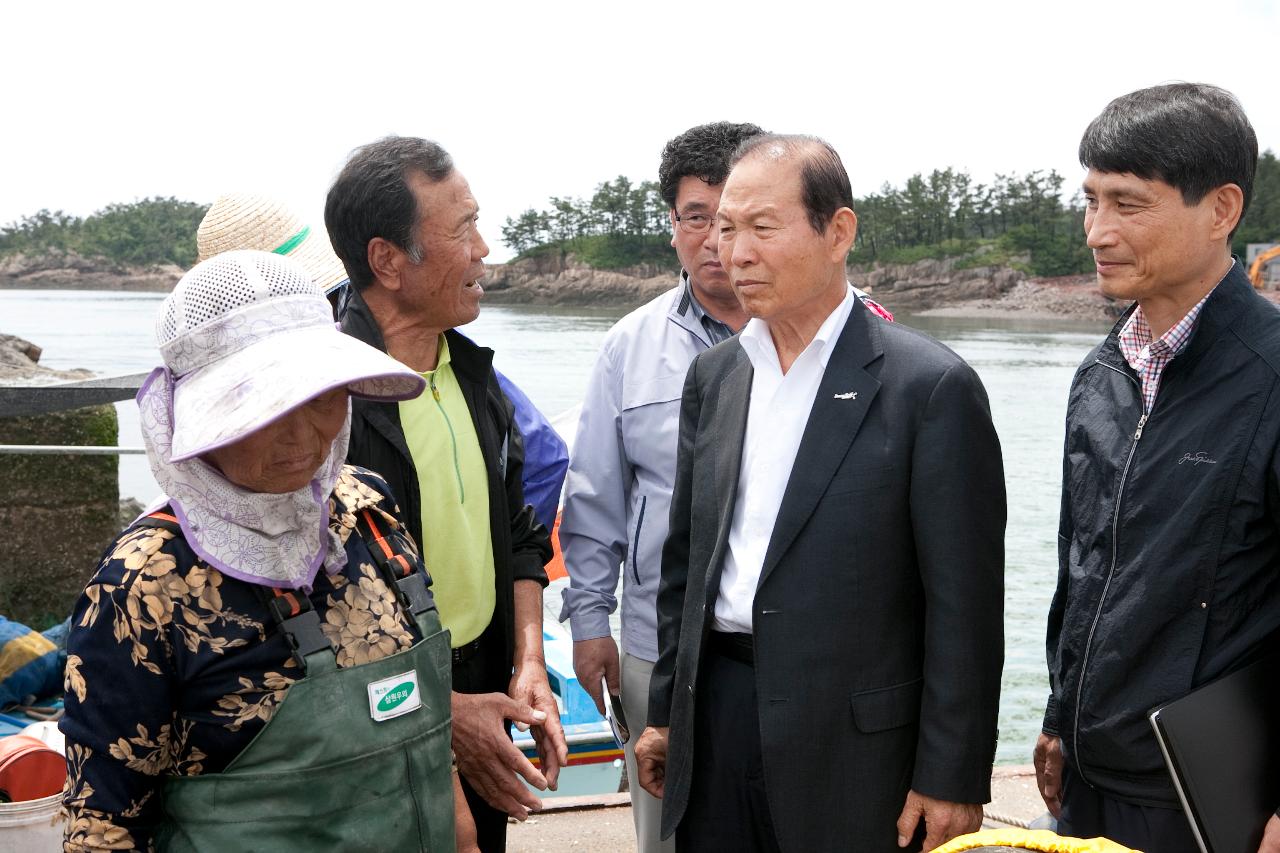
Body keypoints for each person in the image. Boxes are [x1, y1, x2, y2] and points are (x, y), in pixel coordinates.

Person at [634, 134, 1006, 852]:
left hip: (857, 747)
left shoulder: (928, 387)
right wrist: (667, 712)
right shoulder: (716, 376)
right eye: (724, 227)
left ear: (838, 231)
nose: (733, 252)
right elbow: (687, 564)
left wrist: (953, 774)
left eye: (762, 228)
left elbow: (965, 608)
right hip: (718, 720)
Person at [60, 250, 490, 852]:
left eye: (318, 398)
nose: (298, 437)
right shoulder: (143, 584)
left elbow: (422, 733)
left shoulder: (369, 510)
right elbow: (104, 825)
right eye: (261, 408)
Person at [560, 119, 898, 853]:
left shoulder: (871, 345)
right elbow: (597, 499)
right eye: (698, 218)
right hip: (665, 644)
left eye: (742, 220)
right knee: (674, 830)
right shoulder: (631, 346)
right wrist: (589, 623)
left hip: (822, 662)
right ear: (673, 226)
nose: (721, 242)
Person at [1036, 83, 1280, 853]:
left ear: (1222, 209)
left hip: (1209, 796)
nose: (1097, 231)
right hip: (1089, 780)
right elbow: (1083, 568)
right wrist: (1057, 717)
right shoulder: (1100, 374)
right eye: (1092, 200)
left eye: (1128, 204)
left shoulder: (1271, 377)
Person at [325, 136, 566, 852]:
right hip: (379, 720)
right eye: (462, 230)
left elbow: (522, 534)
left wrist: (529, 664)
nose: (485, 249)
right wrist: (439, 712)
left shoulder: (476, 375)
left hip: (483, 691)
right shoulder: (331, 406)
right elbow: (316, 608)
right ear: (387, 261)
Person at [195, 191, 568, 531]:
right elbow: (546, 455)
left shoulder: (420, 347)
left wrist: (511, 559)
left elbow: (541, 455)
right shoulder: (415, 336)